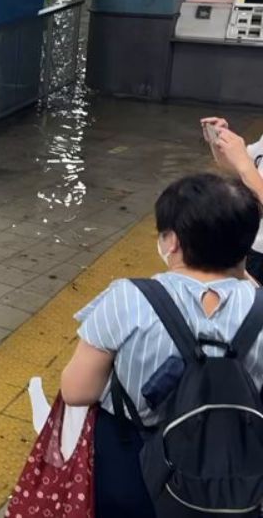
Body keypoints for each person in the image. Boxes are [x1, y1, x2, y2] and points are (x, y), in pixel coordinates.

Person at [60, 173, 263, 517]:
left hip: (132, 463)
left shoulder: (127, 298)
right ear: (246, 246)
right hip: (235, 471)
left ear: (171, 241)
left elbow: (76, 391)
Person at [201, 116, 263, 282]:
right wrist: (220, 143)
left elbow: (245, 167)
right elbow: (239, 169)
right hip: (253, 244)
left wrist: (243, 162)